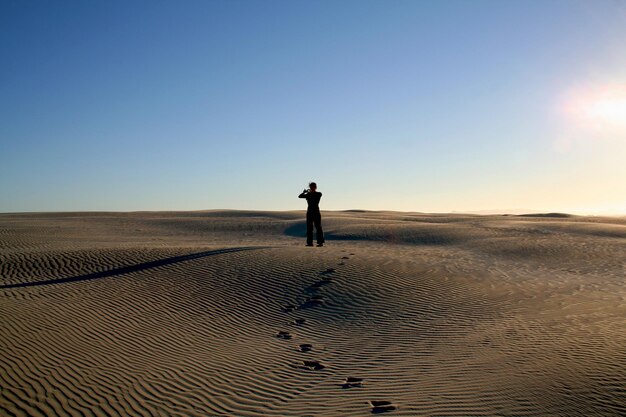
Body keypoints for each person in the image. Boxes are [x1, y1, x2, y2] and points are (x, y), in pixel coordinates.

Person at [299, 182, 325, 247]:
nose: (312, 188)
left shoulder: (318, 194)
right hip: (309, 212)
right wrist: (304, 192)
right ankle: (310, 243)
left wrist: (309, 193)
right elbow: (300, 196)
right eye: (311, 187)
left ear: (315, 187)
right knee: (309, 228)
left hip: (316, 212)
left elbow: (319, 195)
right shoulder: (308, 194)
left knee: (318, 227)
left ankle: (320, 242)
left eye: (313, 187)